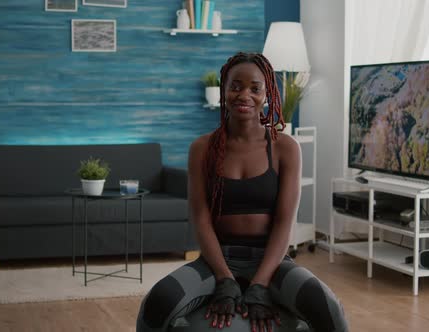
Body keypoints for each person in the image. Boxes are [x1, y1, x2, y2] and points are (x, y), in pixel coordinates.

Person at [136, 52, 348, 332]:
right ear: (223, 91)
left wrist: (260, 284)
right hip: (217, 260)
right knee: (158, 301)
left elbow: (285, 222)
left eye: (254, 88)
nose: (244, 95)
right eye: (235, 86)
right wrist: (224, 278)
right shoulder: (202, 148)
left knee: (327, 306)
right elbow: (200, 218)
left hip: (271, 261)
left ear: (267, 94)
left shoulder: (285, 148)